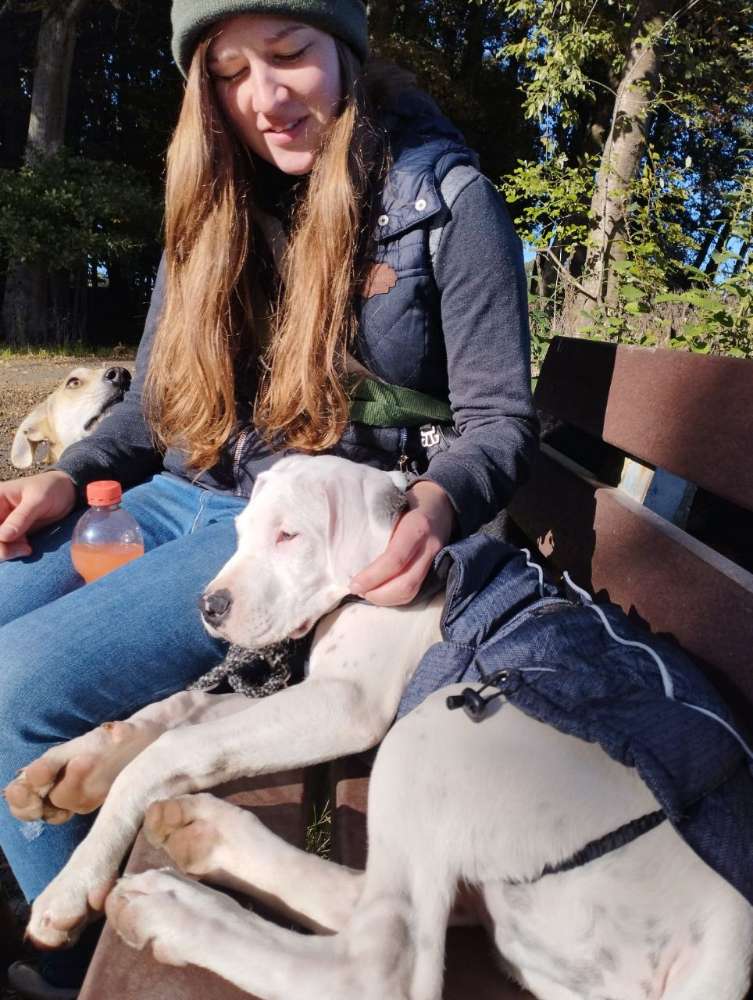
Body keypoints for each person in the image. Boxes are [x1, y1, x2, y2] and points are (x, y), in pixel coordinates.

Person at [0, 1, 538, 995]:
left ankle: (79, 966)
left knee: (17, 689)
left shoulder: (444, 198)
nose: (264, 97)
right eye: (229, 74)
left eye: (289, 54)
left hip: (292, 532)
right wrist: (64, 476)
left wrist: (437, 504)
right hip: (179, 495)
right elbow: (154, 409)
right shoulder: (210, 204)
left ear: (346, 48)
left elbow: (499, 418)